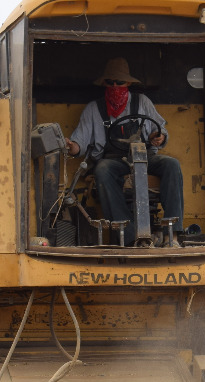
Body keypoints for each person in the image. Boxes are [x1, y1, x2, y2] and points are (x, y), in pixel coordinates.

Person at [66, 58, 183, 244]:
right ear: (104, 83)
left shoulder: (142, 102)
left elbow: (160, 130)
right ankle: (129, 237)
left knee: (172, 165)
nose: (115, 86)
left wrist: (158, 136)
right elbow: (79, 142)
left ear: (128, 83)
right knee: (102, 170)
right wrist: (72, 147)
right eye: (110, 82)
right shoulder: (93, 109)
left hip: (145, 156)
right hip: (114, 161)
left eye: (119, 82)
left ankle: (172, 234)